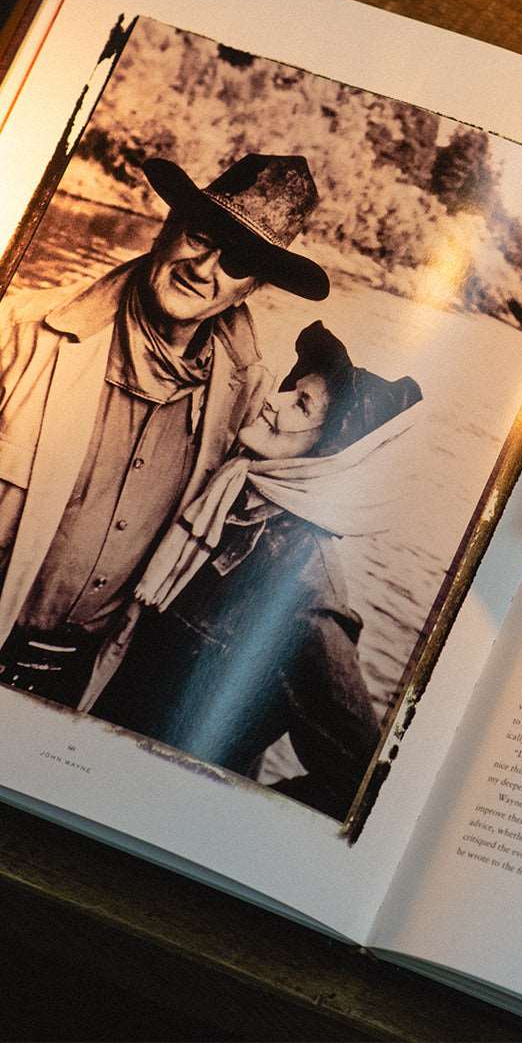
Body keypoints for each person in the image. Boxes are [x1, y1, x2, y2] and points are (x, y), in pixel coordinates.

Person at [0, 153, 330, 707]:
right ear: (167, 226)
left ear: (249, 290)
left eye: (239, 259)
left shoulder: (248, 398)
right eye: (201, 236)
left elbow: (294, 491)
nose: (204, 269)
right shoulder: (17, 332)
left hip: (76, 691)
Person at [89, 321, 423, 819]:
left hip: (158, 811)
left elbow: (359, 782)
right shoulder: (220, 503)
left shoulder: (306, 597)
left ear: (326, 460)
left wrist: (237, 812)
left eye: (302, 406)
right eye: (292, 389)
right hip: (93, 758)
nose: (276, 399)